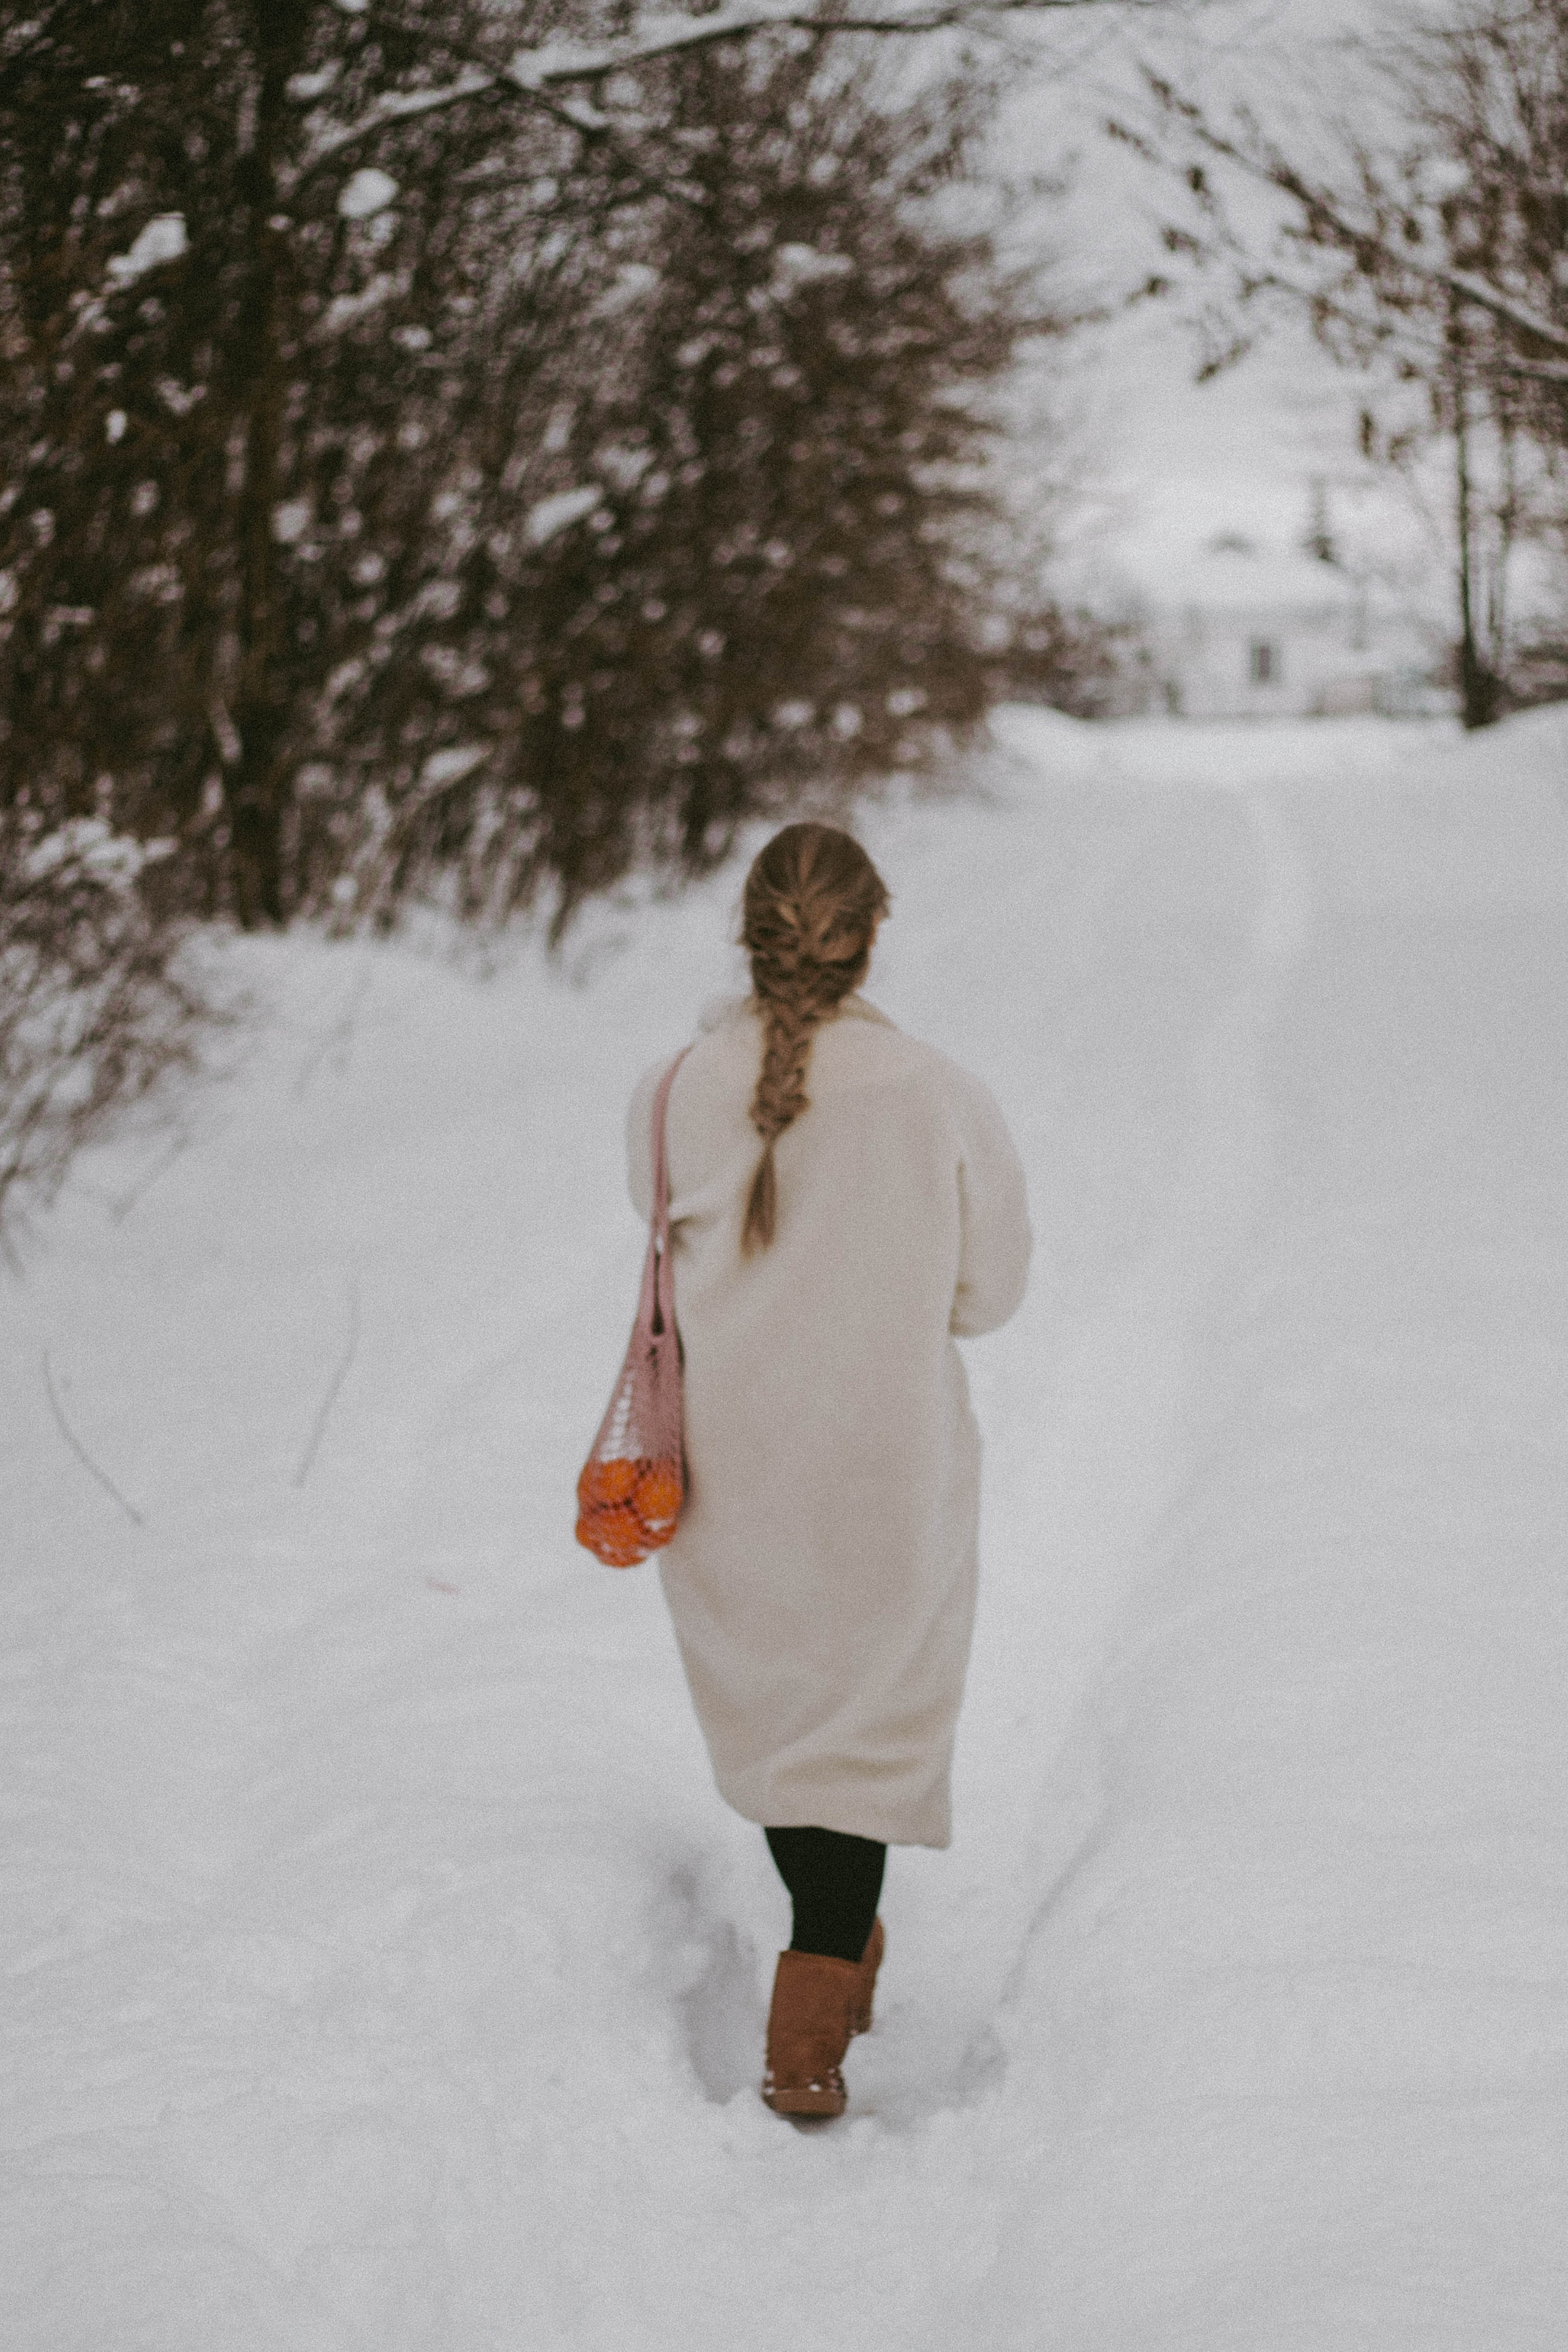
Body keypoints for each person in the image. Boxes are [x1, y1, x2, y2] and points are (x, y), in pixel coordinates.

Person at [625, 821, 1031, 2118]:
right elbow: (989, 1294)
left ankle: (829, 1957)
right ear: (871, 934)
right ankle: (813, 2003)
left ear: (748, 933)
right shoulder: (937, 1091)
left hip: (727, 1467)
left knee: (783, 1715)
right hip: (881, 1460)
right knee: (860, 1722)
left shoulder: (672, 1085)